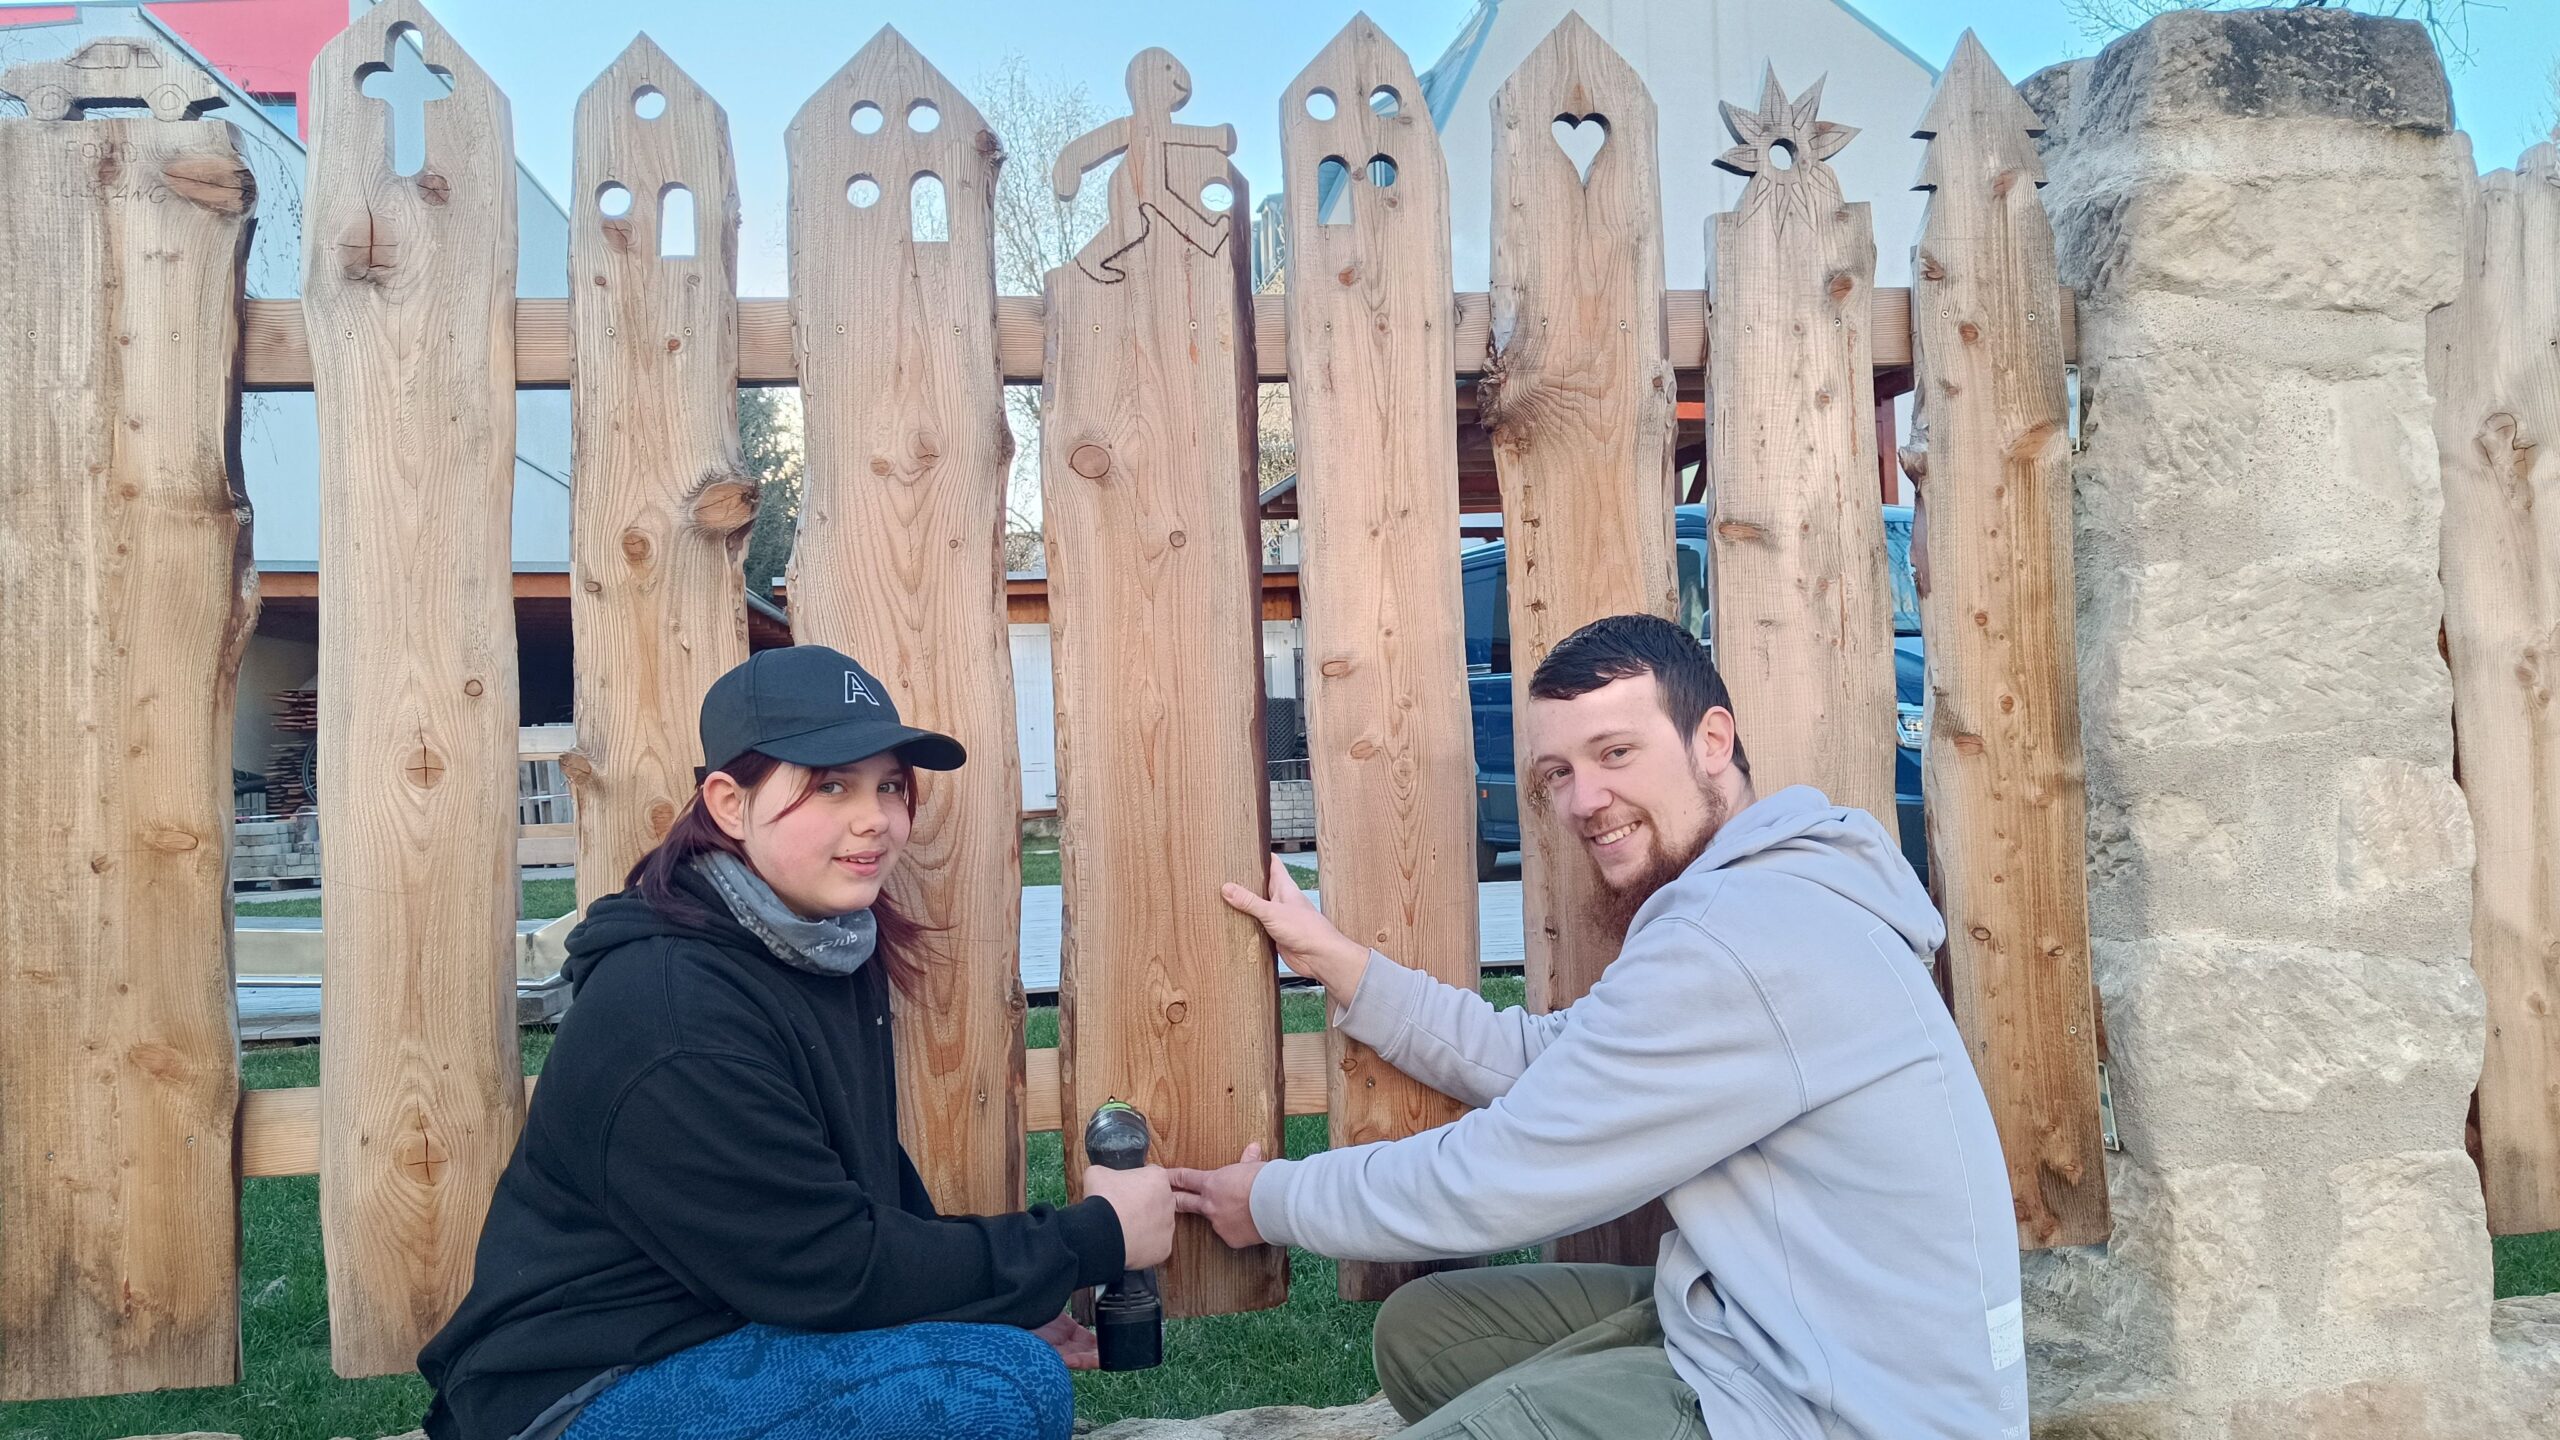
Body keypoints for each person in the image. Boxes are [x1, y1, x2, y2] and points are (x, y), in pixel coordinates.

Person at [1172, 613, 2026, 1440]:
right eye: (1557, 773)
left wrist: (1272, 1201)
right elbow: (1548, 1059)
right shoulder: (1764, 893)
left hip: (1841, 1408)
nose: (1584, 800)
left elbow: (1498, 1176)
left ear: (1713, 741)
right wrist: (1336, 960)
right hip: (1761, 1326)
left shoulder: (1740, 938)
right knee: (1428, 1331)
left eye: (1615, 753)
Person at [418, 645, 1175, 1440]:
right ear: (728, 802)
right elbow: (828, 1266)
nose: (874, 818)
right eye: (830, 785)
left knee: (993, 1360)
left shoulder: (821, 943)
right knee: (1000, 1391)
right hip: (583, 1391)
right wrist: (1097, 1237)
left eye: (888, 785)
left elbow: (854, 1203)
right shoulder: (674, 1014)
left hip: (729, 1327)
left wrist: (980, 1307)